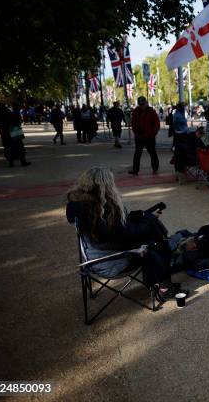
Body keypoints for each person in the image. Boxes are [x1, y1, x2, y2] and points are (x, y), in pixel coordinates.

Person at [65, 167, 182, 301]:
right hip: (112, 261)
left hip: (93, 256)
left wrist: (143, 216)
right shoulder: (104, 211)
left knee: (150, 230)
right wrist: (149, 218)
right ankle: (164, 288)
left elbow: (120, 229)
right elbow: (131, 234)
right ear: (105, 186)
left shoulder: (82, 206)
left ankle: (161, 283)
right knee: (156, 241)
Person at [130, 96, 160, 175]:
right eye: (140, 105)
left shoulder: (151, 111)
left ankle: (155, 168)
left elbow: (156, 124)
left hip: (150, 137)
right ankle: (135, 170)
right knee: (137, 153)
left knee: (152, 153)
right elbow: (133, 123)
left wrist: (153, 133)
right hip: (139, 136)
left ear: (146, 103)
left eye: (143, 104)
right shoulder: (136, 111)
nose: (142, 106)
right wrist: (136, 132)